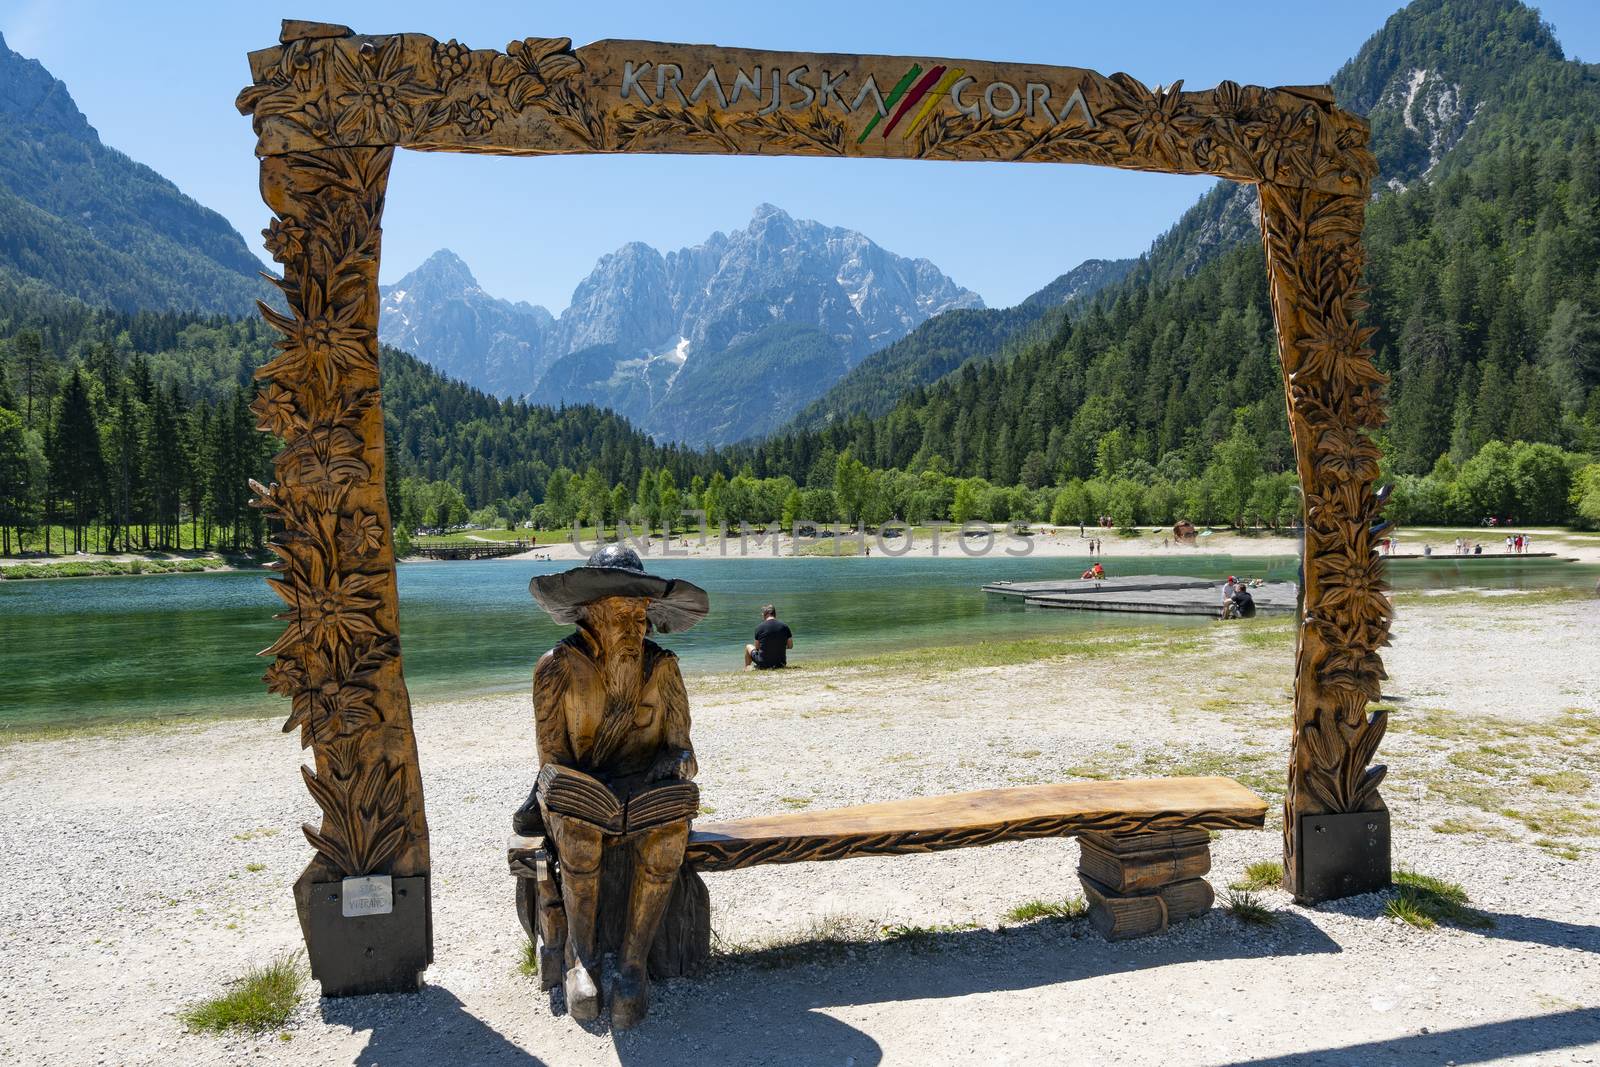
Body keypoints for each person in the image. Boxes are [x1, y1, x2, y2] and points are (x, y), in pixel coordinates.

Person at [518, 545, 709, 1027]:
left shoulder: (663, 669)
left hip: (644, 796)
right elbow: (551, 762)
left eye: (640, 617)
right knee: (580, 840)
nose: (635, 629)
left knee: (668, 838)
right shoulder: (556, 668)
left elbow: (685, 751)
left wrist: (675, 767)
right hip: (581, 795)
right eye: (621, 617)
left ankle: (633, 964)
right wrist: (578, 794)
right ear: (591, 617)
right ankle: (580, 960)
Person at [745, 604, 793, 670]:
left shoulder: (759, 627)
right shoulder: (784, 626)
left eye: (762, 614)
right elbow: (790, 646)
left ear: (766, 614)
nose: (762, 615)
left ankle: (747, 667)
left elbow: (757, 648)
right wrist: (777, 646)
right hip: (781, 663)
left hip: (763, 664)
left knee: (748, 646)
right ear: (775, 614)